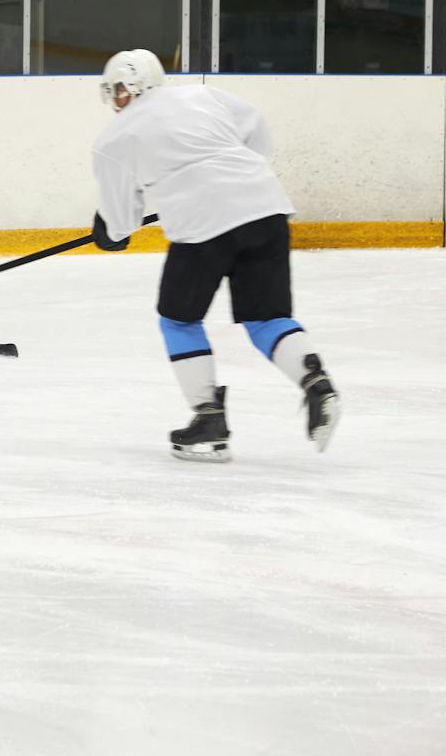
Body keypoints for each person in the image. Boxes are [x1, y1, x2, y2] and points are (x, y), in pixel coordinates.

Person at [88, 48, 340, 462]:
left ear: (127, 87)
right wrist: (232, 181)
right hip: (265, 208)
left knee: (179, 319)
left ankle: (208, 421)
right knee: (267, 318)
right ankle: (317, 385)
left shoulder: (113, 139)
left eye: (115, 92)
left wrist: (109, 231)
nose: (114, 102)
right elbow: (257, 132)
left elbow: (120, 220)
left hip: (203, 226)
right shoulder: (202, 96)